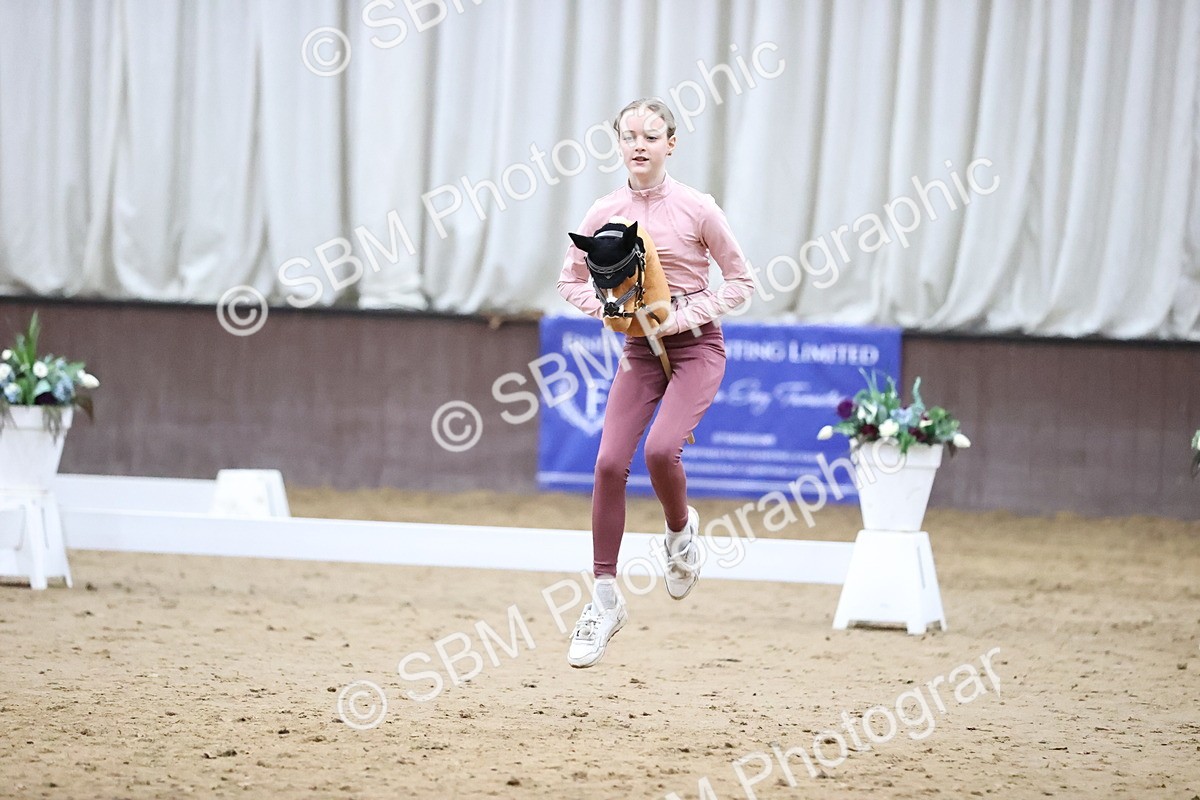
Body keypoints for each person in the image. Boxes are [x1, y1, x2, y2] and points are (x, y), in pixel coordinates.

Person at [557, 97, 755, 667]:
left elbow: (742, 281)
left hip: (697, 348)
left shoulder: (698, 209)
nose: (638, 145)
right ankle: (602, 598)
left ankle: (680, 534)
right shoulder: (604, 211)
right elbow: (568, 280)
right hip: (639, 351)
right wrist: (608, 312)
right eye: (628, 136)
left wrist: (684, 316)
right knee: (607, 464)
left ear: (671, 144)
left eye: (651, 135)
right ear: (618, 144)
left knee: (662, 451)